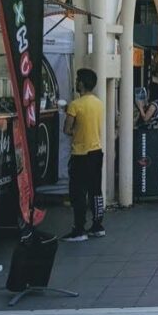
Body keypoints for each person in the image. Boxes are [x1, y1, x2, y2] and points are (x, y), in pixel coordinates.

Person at [62, 68, 105, 241]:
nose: (76, 82)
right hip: (96, 151)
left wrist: (70, 119)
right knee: (95, 190)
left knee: (78, 192)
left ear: (82, 83)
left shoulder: (75, 105)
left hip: (80, 154)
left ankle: (79, 229)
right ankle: (97, 225)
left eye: (78, 79)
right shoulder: (98, 103)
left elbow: (67, 129)